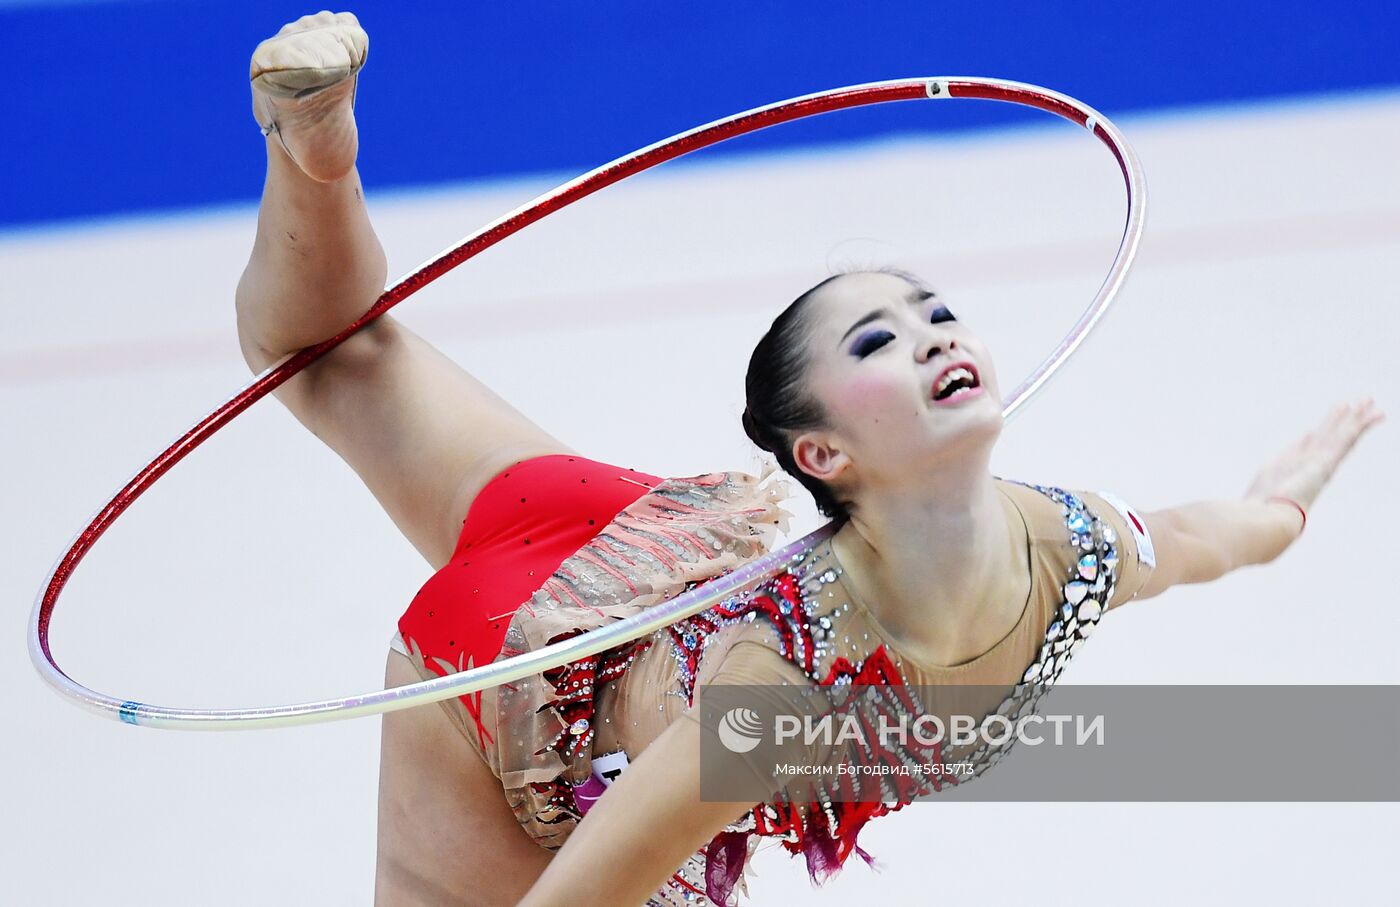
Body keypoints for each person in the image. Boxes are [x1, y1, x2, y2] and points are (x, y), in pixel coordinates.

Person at [236, 12, 1385, 907]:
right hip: (505, 687)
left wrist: (1279, 509)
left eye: (934, 309)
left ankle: (314, 171)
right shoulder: (771, 702)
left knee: (336, 356)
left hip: (618, 541)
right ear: (821, 450)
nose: (934, 331)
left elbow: (1184, 542)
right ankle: (318, 154)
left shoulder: (1067, 542)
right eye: (877, 339)